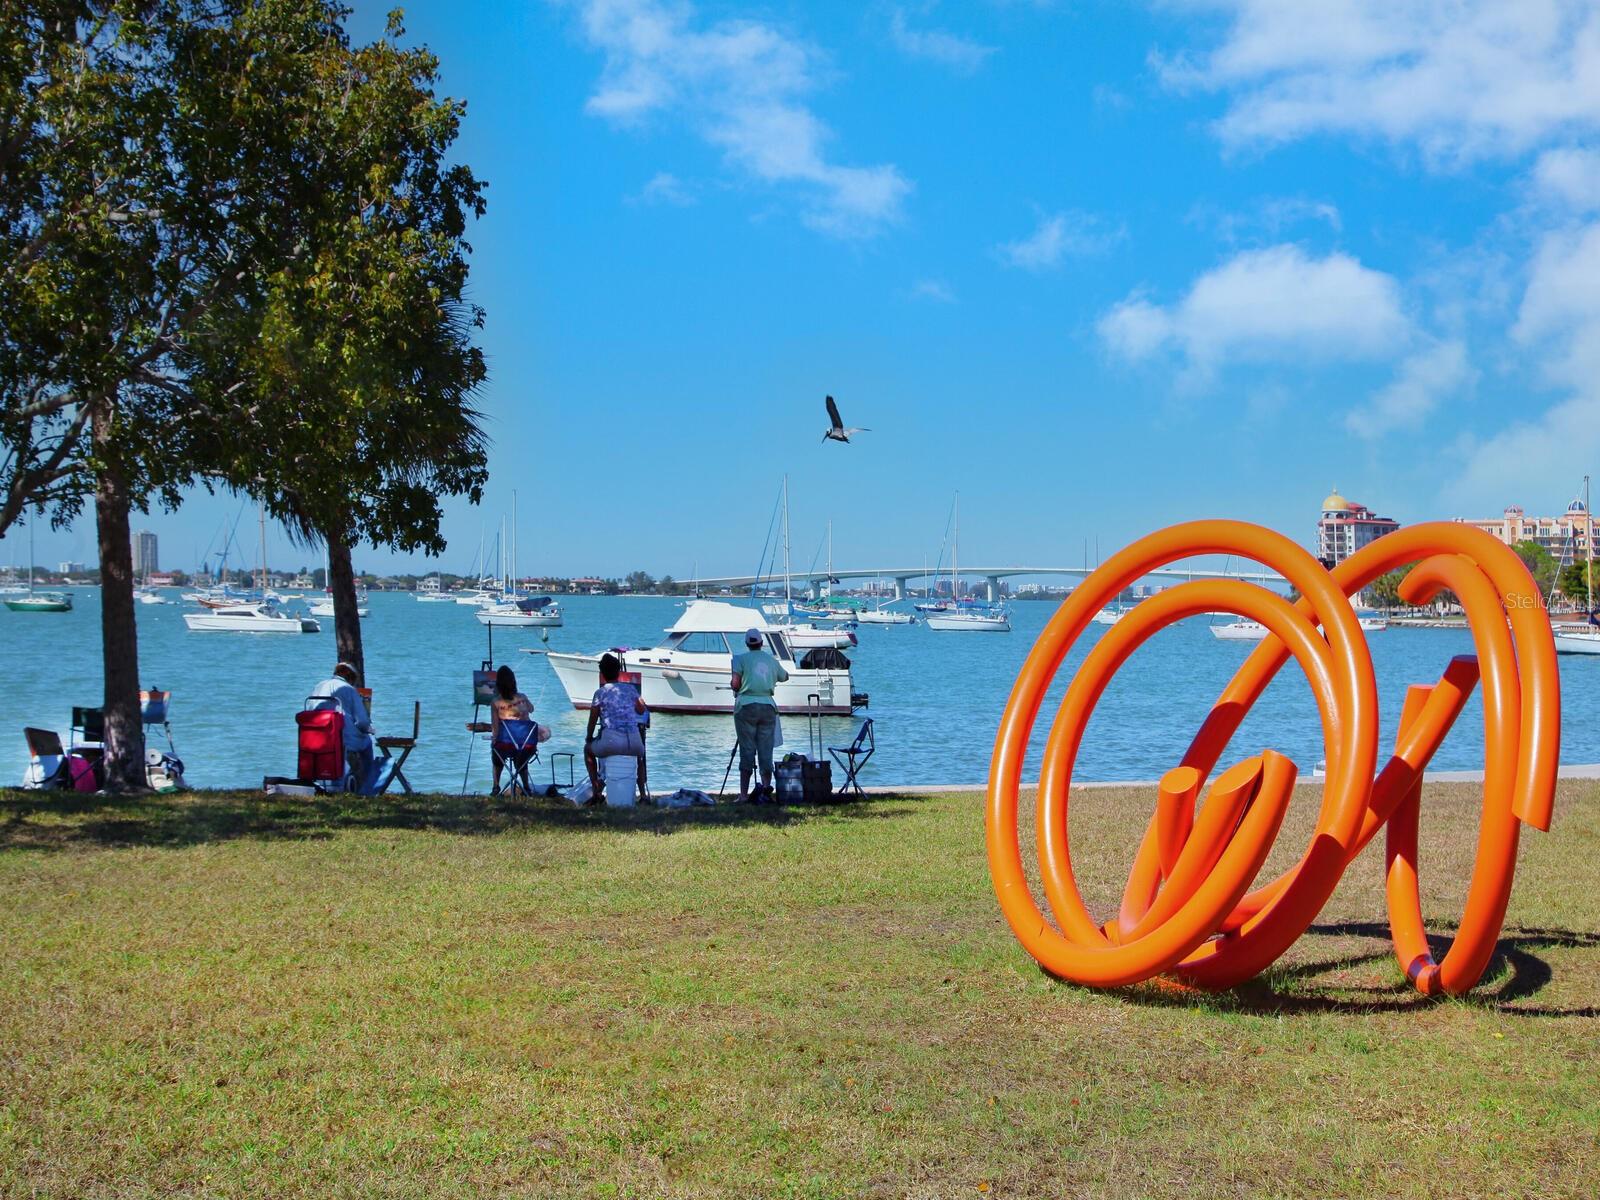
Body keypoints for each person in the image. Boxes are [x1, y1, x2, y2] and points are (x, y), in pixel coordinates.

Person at [730, 627, 788, 802]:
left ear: (747, 643)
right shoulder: (771, 660)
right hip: (768, 707)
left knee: (747, 749)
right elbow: (784, 676)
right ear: (761, 643)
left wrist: (736, 686)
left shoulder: (739, 659)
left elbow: (735, 683)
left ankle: (743, 794)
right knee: (766, 749)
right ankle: (765, 790)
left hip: (746, 706)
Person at [585, 653, 646, 799]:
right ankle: (643, 794)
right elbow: (641, 709)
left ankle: (596, 791)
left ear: (602, 673)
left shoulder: (600, 693)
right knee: (640, 758)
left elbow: (593, 719)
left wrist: (589, 737)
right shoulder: (631, 689)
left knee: (588, 751)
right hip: (634, 741)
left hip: (612, 742)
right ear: (619, 672)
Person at [309, 662, 376, 792]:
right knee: (367, 743)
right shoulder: (348, 689)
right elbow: (362, 722)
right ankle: (368, 787)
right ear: (351, 678)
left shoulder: (319, 686)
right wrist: (368, 729)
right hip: (341, 737)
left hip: (316, 735)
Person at [490, 664, 539, 794]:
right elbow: (532, 709)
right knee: (520, 753)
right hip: (527, 745)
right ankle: (526, 786)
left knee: (496, 752)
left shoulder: (496, 702)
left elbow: (495, 726)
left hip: (505, 746)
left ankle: (496, 786)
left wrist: (494, 740)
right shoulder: (522, 697)